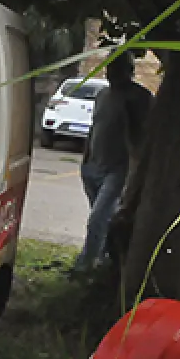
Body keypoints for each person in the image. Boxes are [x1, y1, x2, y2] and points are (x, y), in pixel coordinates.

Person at [72, 53, 153, 274]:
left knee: (98, 219)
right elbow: (94, 127)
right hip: (93, 167)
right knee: (104, 220)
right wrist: (85, 159)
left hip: (118, 170)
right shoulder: (102, 95)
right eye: (109, 68)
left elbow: (144, 137)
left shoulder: (140, 98)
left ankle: (85, 266)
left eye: (117, 69)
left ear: (129, 71)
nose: (111, 74)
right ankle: (105, 260)